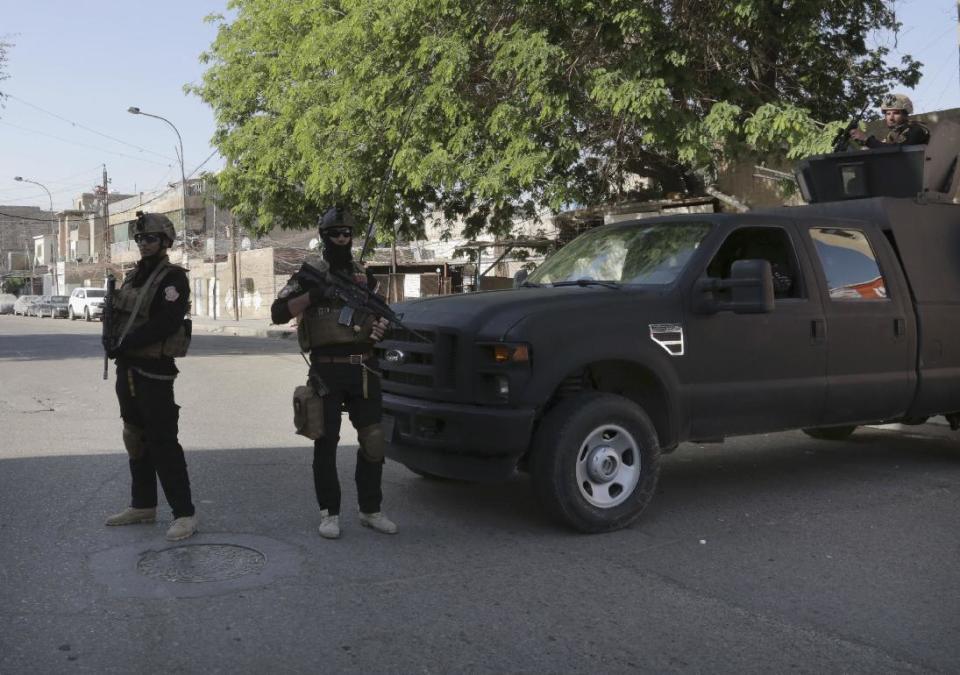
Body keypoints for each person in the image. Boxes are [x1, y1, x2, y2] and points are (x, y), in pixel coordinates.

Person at [271, 206, 394, 540]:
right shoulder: (309, 273)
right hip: (326, 370)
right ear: (324, 237)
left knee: (373, 439)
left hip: (365, 368)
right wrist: (313, 295)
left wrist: (380, 328)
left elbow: (379, 322)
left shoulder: (363, 277)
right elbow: (279, 312)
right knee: (325, 443)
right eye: (335, 233)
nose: (342, 239)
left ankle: (371, 509)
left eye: (347, 233)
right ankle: (330, 512)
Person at [103, 211, 197, 542]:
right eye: (140, 239)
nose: (144, 244)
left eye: (151, 238)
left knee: (162, 442)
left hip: (154, 372)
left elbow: (167, 322)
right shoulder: (132, 277)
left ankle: (184, 514)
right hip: (126, 368)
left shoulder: (173, 279)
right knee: (134, 437)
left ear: (166, 242)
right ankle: (143, 505)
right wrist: (111, 340)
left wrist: (129, 341)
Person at [850, 93, 930, 147]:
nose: (891, 118)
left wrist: (866, 139)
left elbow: (896, 151)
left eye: (896, 113)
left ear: (905, 115)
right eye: (888, 114)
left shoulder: (915, 130)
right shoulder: (895, 133)